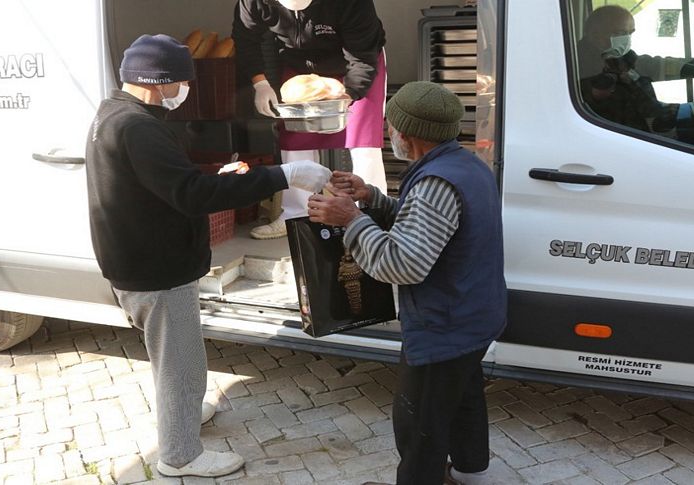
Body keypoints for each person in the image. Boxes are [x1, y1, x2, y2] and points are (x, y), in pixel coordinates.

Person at [85, 34, 330, 478]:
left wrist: (205, 176)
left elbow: (167, 184)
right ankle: (180, 456)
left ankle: (184, 415)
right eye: (181, 81)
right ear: (156, 82)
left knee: (175, 354)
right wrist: (284, 174)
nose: (187, 90)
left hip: (138, 261)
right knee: (179, 362)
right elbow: (193, 196)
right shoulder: (139, 127)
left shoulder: (115, 113)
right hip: (156, 270)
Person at [307, 81, 507, 485]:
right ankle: (470, 472)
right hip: (477, 315)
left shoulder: (435, 183)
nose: (390, 134)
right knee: (463, 395)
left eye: (392, 126)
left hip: (444, 325)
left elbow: (402, 264)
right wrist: (374, 200)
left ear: (406, 134)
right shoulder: (467, 165)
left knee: (420, 424)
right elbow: (431, 226)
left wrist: (352, 219)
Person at [233, 0, 388, 239]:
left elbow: (363, 56)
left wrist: (348, 95)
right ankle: (295, 215)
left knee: (363, 141)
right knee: (294, 140)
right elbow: (246, 40)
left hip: (355, 62)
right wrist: (261, 83)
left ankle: (371, 215)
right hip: (298, 64)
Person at [578, 5, 694, 139]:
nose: (626, 39)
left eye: (630, 33)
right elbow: (647, 113)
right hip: (637, 137)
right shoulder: (589, 68)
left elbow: (656, 66)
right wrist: (692, 108)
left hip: (648, 128)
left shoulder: (615, 55)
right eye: (620, 33)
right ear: (595, 34)